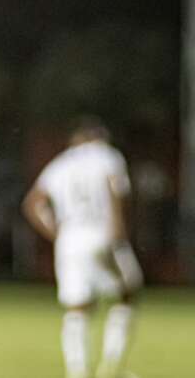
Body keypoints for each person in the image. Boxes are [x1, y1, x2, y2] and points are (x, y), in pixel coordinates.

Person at [22, 117, 144, 378]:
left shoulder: (61, 163)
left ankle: (77, 371)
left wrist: (55, 232)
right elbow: (115, 190)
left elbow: (33, 203)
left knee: (77, 307)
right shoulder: (108, 156)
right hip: (102, 231)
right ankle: (112, 366)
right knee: (127, 293)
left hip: (70, 238)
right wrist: (118, 231)